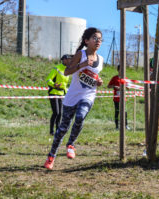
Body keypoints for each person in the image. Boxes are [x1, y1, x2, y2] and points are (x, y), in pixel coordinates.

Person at [44, 27, 104, 170]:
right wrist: (81, 65)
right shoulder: (80, 54)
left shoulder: (101, 59)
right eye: (95, 38)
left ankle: (71, 144)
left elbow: (94, 76)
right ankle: (51, 156)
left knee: (80, 116)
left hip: (88, 95)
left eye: (100, 39)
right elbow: (67, 71)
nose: (98, 41)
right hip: (72, 96)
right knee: (62, 129)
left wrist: (98, 82)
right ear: (86, 41)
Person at [45, 54, 72, 135]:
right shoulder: (56, 68)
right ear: (63, 60)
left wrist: (67, 94)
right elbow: (48, 79)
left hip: (62, 94)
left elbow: (64, 84)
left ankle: (58, 130)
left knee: (60, 113)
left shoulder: (67, 70)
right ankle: (51, 131)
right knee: (56, 112)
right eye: (68, 59)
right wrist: (54, 85)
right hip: (54, 92)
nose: (70, 60)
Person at [107, 65, 130, 130]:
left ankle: (126, 125)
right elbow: (108, 86)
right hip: (116, 99)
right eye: (121, 69)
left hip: (123, 99)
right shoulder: (114, 78)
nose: (122, 71)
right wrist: (114, 86)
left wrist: (125, 87)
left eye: (123, 69)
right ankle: (117, 126)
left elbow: (128, 87)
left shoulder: (126, 78)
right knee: (117, 112)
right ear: (118, 70)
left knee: (125, 112)